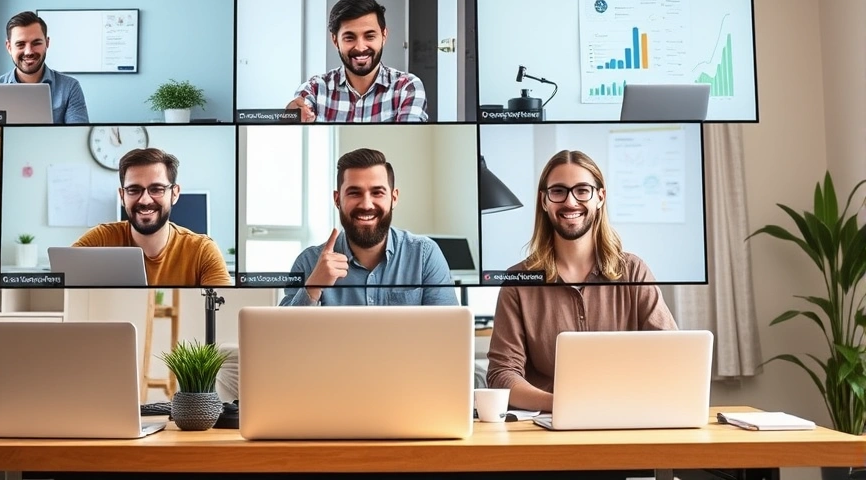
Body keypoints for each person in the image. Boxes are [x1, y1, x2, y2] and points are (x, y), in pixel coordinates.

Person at [486, 150, 677, 412]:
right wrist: (563, 405)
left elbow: (671, 354)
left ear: (600, 197)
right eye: (558, 191)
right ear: (544, 201)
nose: (570, 201)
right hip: (549, 421)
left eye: (582, 190)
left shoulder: (634, 271)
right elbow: (502, 374)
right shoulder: (517, 283)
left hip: (626, 415)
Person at [280, 148, 456, 306]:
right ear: (337, 199)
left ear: (394, 198)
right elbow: (283, 331)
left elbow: (448, 328)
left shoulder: (425, 255)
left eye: (377, 192)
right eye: (354, 193)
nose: (366, 205)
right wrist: (312, 288)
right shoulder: (308, 262)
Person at [73, 147, 231, 287]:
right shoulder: (100, 240)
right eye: (134, 190)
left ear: (174, 193)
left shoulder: (202, 251)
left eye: (156, 189)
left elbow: (223, 304)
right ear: (122, 196)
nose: (144, 200)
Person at [286, 0, 428, 123]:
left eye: (369, 36)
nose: (360, 48)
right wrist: (291, 117)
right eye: (349, 38)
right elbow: (295, 117)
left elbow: (406, 137)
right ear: (335, 40)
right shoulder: (315, 88)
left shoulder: (407, 87)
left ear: (384, 36)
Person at [0, 11, 90, 123]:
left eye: (36, 43)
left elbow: (77, 132)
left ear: (47, 43)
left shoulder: (69, 87)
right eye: (20, 44)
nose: (29, 52)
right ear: (9, 47)